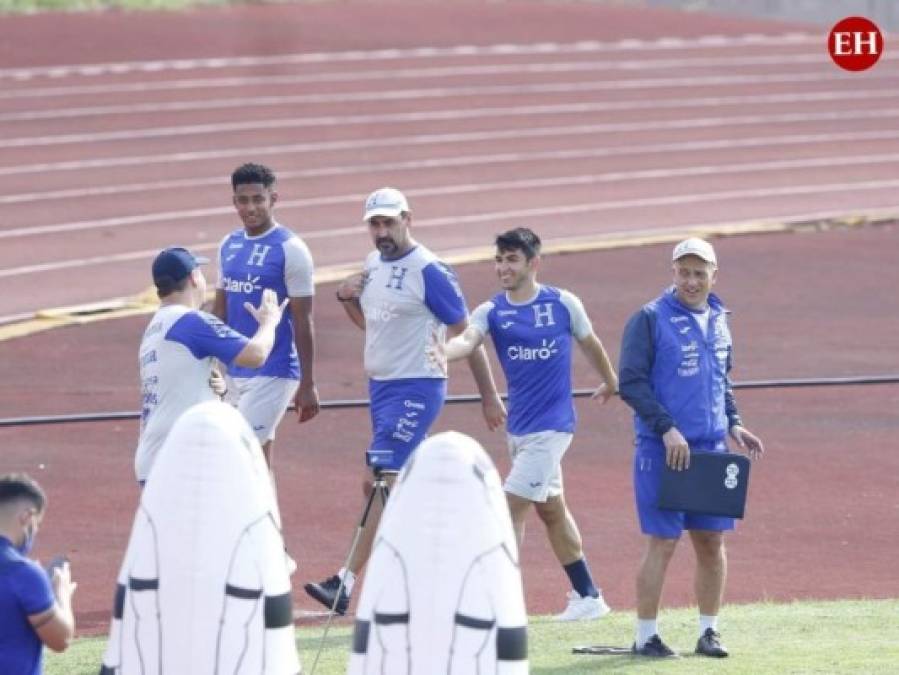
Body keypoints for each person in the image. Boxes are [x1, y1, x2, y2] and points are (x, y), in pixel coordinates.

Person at [303, 187, 506, 615]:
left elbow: (467, 335)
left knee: (380, 481)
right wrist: (346, 301)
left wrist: (489, 396)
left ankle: (345, 582)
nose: (381, 232)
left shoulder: (430, 271)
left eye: (388, 222)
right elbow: (376, 326)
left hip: (418, 385)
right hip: (381, 388)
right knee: (380, 484)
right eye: (374, 224)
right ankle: (435, 571)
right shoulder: (372, 265)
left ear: (407, 219)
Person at [440, 227, 618, 621]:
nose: (503, 267)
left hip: (554, 429)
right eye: (499, 260)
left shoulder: (563, 304)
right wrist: (442, 352)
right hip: (518, 430)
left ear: (533, 263)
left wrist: (610, 380)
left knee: (508, 509)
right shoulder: (492, 311)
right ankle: (589, 596)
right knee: (552, 512)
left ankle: (495, 604)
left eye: (512, 259)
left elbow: (590, 342)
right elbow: (467, 340)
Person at [618, 237, 765, 658]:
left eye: (700, 272)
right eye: (684, 271)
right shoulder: (649, 318)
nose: (692, 280)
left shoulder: (720, 318)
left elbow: (721, 378)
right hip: (663, 449)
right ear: (673, 273)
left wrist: (734, 423)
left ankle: (709, 632)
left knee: (711, 541)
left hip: (711, 448)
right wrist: (666, 428)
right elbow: (631, 381)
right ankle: (645, 636)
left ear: (714, 275)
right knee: (663, 541)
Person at [137, 246, 287, 484]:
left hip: (156, 457)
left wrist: (213, 388)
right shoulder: (190, 321)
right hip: (181, 459)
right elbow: (256, 355)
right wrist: (269, 323)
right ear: (194, 277)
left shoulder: (155, 328)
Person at [212, 162, 320, 469]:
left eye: (258, 199)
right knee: (259, 460)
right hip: (234, 369)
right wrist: (210, 362)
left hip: (274, 370)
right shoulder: (228, 244)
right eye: (243, 200)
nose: (251, 207)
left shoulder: (291, 249)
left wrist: (308, 383)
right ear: (234, 202)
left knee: (238, 452)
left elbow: (303, 319)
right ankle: (267, 517)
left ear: (274, 199)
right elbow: (220, 308)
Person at [0, 473, 76, 675]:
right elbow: (61, 639)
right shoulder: (23, 573)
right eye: (37, 525)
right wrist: (62, 594)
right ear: (27, 516)